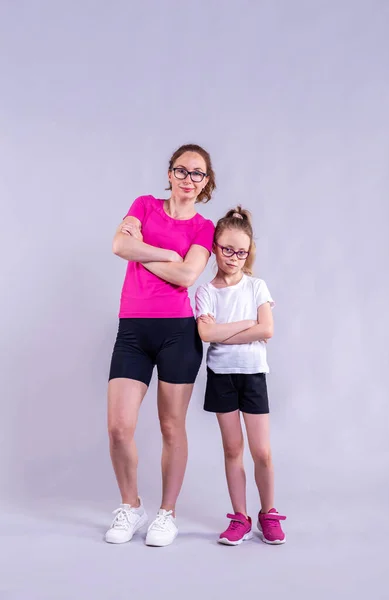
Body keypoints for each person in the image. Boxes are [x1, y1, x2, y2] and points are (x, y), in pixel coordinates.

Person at [105, 144, 215, 547]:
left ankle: (167, 514)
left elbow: (188, 276)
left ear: (206, 183)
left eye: (197, 173)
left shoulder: (205, 227)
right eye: (181, 171)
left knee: (172, 426)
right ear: (169, 174)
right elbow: (119, 246)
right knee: (119, 428)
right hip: (133, 329)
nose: (188, 179)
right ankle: (131, 507)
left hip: (177, 333)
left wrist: (143, 252)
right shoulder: (144, 205)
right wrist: (167, 252)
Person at [195, 206, 286, 546]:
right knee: (233, 449)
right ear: (215, 246)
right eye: (226, 249)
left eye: (241, 251)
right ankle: (240, 517)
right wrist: (247, 325)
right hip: (221, 376)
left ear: (249, 253)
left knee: (261, 451)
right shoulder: (206, 292)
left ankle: (268, 513)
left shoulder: (256, 287)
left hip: (252, 376)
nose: (233, 257)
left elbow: (268, 329)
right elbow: (206, 336)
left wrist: (222, 331)